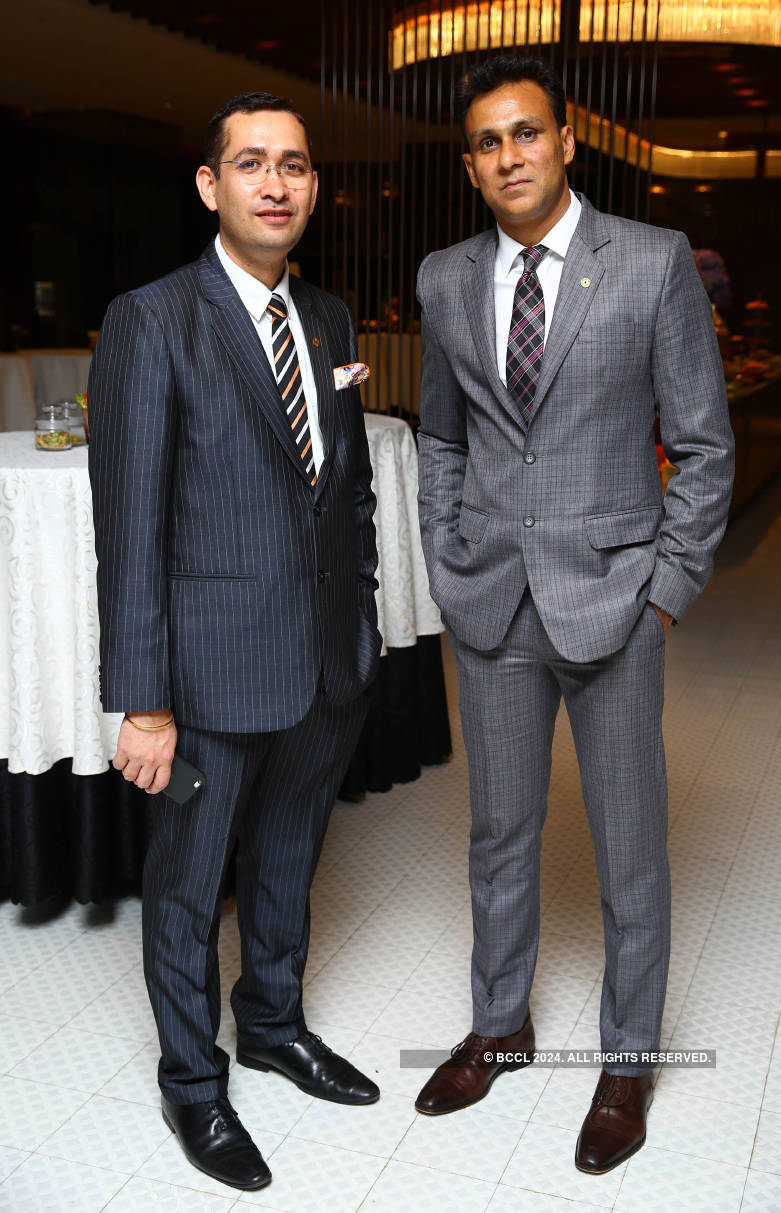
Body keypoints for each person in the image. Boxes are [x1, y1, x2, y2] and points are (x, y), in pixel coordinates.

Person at [413, 55, 734, 1174]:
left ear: (564, 142)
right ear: (470, 164)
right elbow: (444, 436)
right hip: (491, 601)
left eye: (526, 134)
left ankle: (627, 1062)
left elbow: (701, 447)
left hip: (613, 602)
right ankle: (497, 1027)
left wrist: (663, 592)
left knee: (628, 848)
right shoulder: (444, 277)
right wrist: (444, 556)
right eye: (487, 143)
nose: (509, 156)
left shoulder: (647, 265)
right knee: (496, 834)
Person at [88, 91, 383, 1192]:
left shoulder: (332, 320)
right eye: (251, 163)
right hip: (206, 673)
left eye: (295, 165)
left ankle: (272, 1023)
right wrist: (145, 700)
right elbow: (131, 530)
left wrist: (354, 614)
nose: (276, 183)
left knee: (292, 858)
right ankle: (193, 1083)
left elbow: (342, 496)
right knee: (185, 883)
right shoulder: (152, 318)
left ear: (313, 187)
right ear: (210, 186)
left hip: (323, 662)